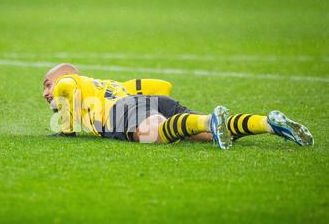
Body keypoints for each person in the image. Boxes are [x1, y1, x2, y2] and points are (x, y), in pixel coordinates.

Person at [42, 63, 314, 149]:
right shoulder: (109, 83)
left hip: (120, 112)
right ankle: (267, 123)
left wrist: (66, 132)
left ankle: (210, 121)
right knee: (208, 135)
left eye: (47, 84)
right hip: (154, 103)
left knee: (155, 135)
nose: (46, 92)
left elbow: (65, 86)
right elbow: (163, 85)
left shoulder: (70, 81)